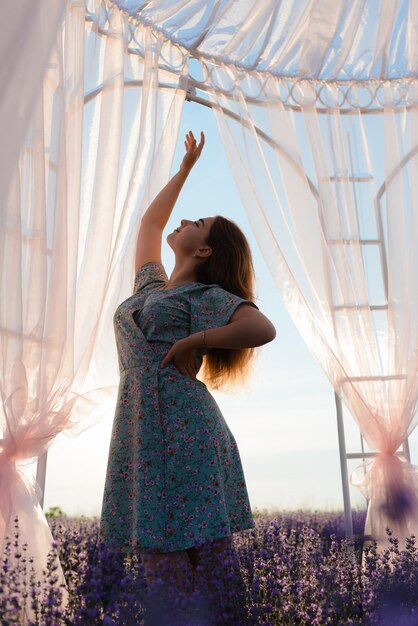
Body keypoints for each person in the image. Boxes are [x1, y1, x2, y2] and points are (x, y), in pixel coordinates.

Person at [99, 130, 276, 622]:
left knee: (207, 565)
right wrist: (186, 168)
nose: (184, 221)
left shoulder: (205, 298)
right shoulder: (149, 286)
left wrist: (195, 341)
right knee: (159, 566)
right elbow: (150, 222)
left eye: (198, 223)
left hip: (187, 431)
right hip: (140, 431)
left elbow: (261, 327)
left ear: (204, 252)